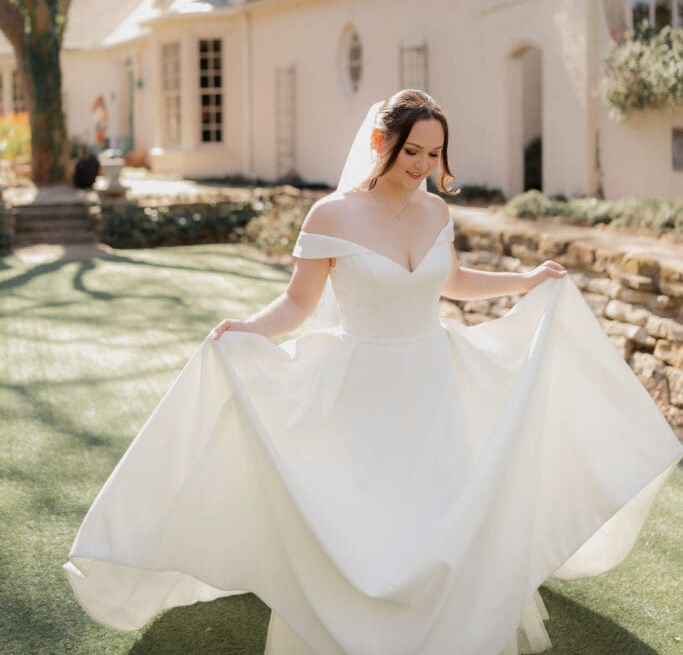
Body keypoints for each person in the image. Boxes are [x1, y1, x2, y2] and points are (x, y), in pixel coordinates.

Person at [63, 90, 683, 655]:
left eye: (434, 153)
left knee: (443, 513)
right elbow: (299, 305)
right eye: (413, 150)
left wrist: (526, 279)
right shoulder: (332, 216)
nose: (422, 164)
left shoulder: (437, 214)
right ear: (383, 143)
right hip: (362, 388)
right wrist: (245, 331)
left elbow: (455, 283)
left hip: (435, 381)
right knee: (372, 520)